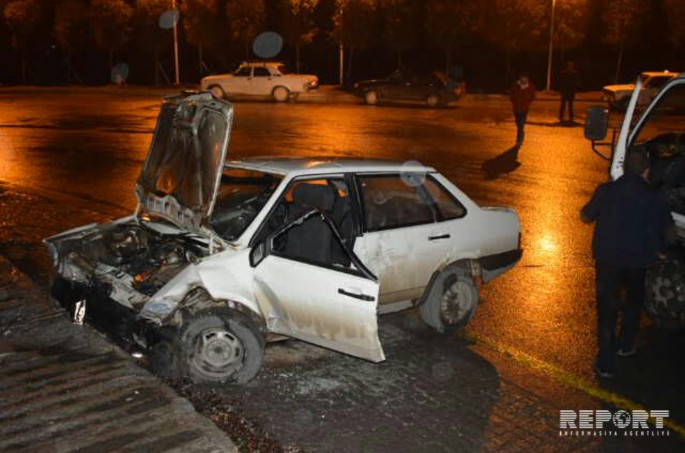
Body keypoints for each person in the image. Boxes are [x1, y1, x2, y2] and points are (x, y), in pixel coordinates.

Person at [580, 150, 674, 378]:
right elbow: (668, 233)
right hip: (638, 263)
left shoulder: (606, 191)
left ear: (622, 168)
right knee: (633, 304)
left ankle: (606, 363)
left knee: (607, 311)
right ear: (646, 170)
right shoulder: (656, 198)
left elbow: (586, 215)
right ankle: (626, 344)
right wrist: (661, 251)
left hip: (608, 261)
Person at [508, 73, 536, 149]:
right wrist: (513, 100)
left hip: (524, 109)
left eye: (526, 78)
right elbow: (510, 94)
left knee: (521, 125)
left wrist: (527, 102)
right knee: (518, 124)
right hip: (516, 109)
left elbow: (533, 96)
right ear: (520, 78)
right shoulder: (516, 85)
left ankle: (519, 140)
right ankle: (521, 135)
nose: (524, 79)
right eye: (523, 78)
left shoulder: (531, 86)